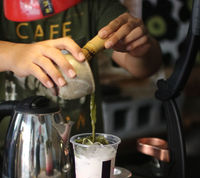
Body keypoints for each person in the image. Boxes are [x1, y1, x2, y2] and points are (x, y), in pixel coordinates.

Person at [0, 0, 162, 134]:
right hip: (12, 145)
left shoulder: (94, 5)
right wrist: (14, 54)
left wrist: (140, 49)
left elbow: (143, 68)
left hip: (79, 147)